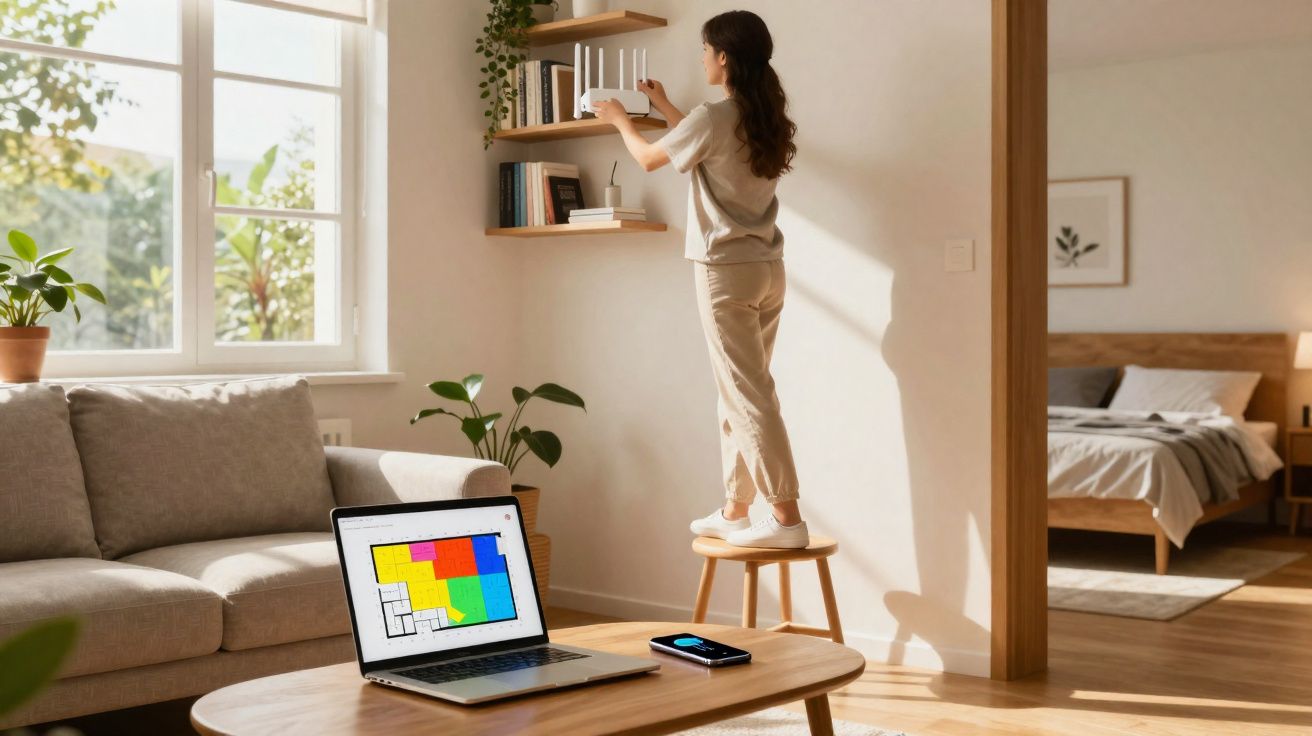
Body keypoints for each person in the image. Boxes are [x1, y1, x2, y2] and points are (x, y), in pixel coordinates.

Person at [593, 10, 806, 549]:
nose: (701, 57)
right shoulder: (759, 115)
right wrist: (664, 106)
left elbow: (645, 159)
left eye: (705, 49)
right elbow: (705, 144)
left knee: (747, 394)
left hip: (725, 275)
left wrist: (621, 118)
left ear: (724, 58)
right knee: (737, 392)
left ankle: (786, 520)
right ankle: (736, 508)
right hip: (766, 269)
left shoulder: (714, 118)